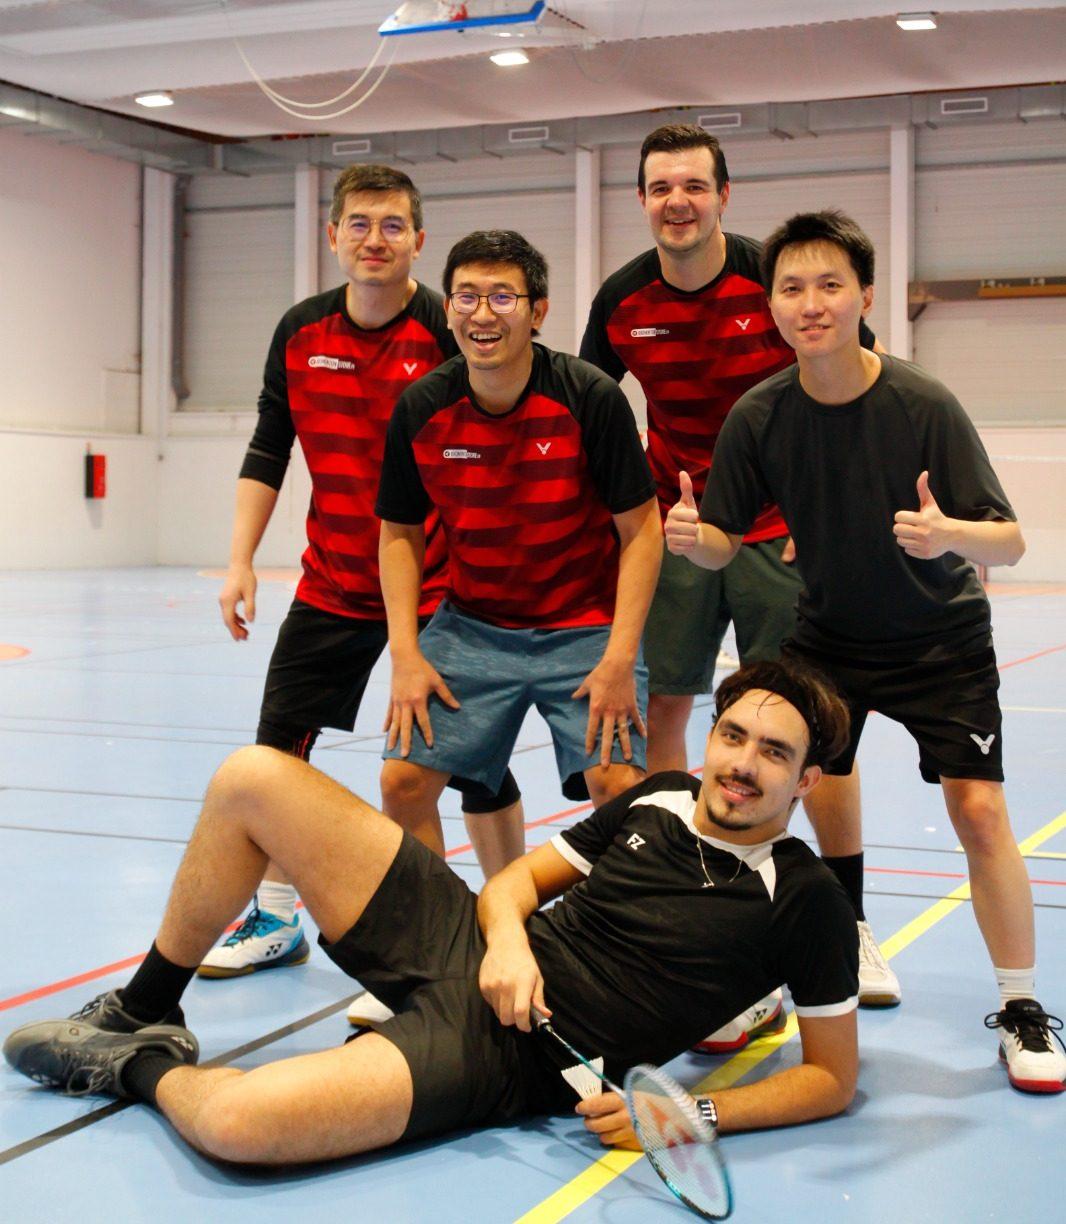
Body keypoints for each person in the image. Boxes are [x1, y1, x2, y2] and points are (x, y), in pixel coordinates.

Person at [4, 660, 862, 1162]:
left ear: (807, 780)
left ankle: (138, 1065)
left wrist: (692, 1112)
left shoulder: (805, 899)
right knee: (252, 778)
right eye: (733, 736)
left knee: (234, 1123)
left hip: (512, 1057)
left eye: (773, 753)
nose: (742, 765)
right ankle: (146, 1006)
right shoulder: (662, 795)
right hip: (470, 944)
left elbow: (832, 1078)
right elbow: (513, 885)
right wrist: (508, 945)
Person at [667, 208, 1066, 1094]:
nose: (811, 303)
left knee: (979, 811)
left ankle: (1022, 1006)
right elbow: (725, 539)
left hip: (941, 640)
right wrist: (696, 541)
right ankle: (786, 967)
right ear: (771, 305)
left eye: (830, 285)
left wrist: (948, 534)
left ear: (865, 297)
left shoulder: (923, 404)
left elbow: (1010, 541)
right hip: (829, 638)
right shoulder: (760, 414)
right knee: (775, 794)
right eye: (792, 287)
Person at [579, 124, 897, 1019]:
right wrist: (623, 521)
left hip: (776, 534)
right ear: (642, 200)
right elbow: (588, 409)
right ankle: (689, 896)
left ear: (724, 194)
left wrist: (826, 509)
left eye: (694, 185)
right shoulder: (621, 298)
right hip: (678, 531)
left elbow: (859, 384)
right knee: (669, 713)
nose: (677, 202)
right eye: (660, 187)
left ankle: (848, 923)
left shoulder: (774, 279)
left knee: (817, 732)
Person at [203, 165, 524, 988]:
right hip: (336, 580)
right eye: (359, 223)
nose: (374, 239)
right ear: (333, 235)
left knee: (471, 764)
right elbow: (270, 445)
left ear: (418, 240)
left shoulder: (448, 329)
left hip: (444, 585)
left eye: (391, 225)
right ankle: (276, 916)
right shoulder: (300, 331)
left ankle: (510, 924)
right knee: (278, 757)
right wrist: (240, 560)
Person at [375, 229, 663, 833]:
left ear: (537, 312)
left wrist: (619, 657)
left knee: (617, 785)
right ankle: (435, 903)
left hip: (585, 627)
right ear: (448, 309)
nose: (482, 314)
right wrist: (405, 653)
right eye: (466, 297)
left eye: (503, 297)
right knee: (402, 782)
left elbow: (642, 530)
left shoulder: (591, 397)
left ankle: (613, 900)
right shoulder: (421, 408)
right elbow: (399, 533)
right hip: (472, 627)